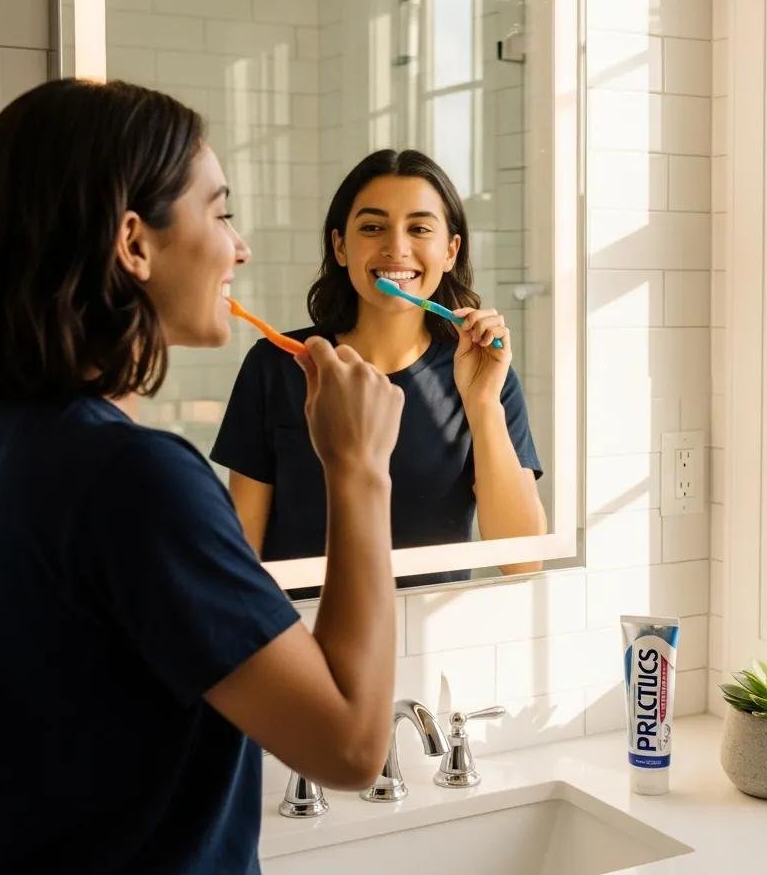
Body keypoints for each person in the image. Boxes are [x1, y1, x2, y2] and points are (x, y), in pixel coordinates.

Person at [0, 79, 403, 874]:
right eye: (219, 213)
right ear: (134, 243)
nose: (239, 247)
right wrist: (358, 471)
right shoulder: (135, 477)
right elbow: (353, 748)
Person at [212, 148, 546, 593]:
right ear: (340, 247)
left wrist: (482, 403)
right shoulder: (278, 364)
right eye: (372, 227)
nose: (396, 248)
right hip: (303, 635)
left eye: (419, 228)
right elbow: (241, 555)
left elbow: (523, 560)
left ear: (450, 250)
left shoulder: (485, 373)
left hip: (429, 637)